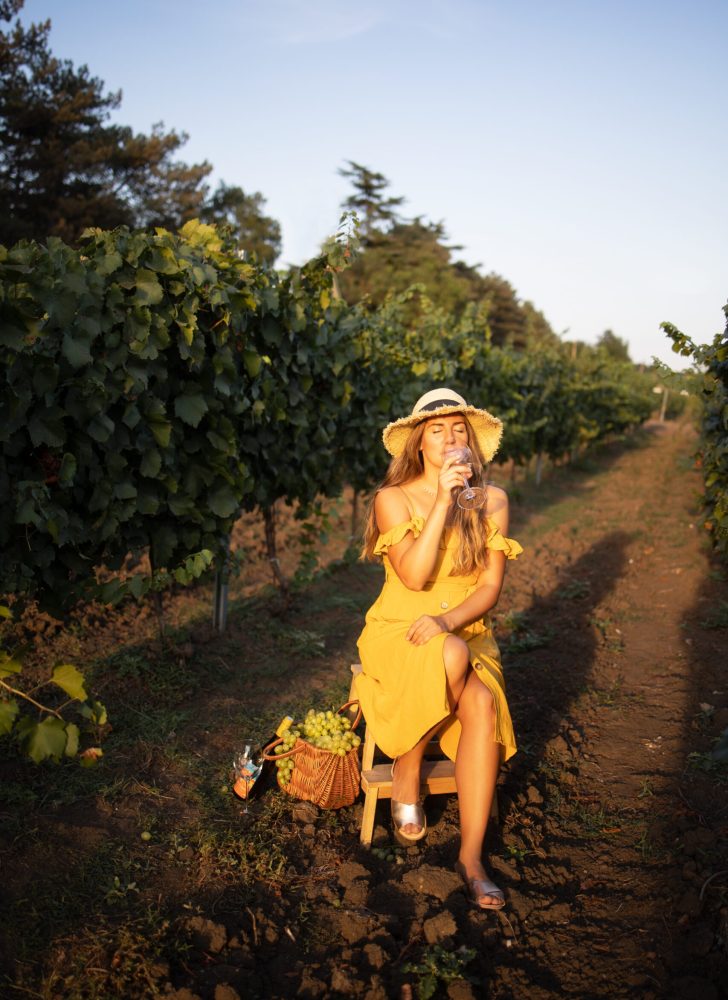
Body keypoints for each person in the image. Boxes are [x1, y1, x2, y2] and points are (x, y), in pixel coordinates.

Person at [354, 387, 522, 910]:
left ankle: (471, 860)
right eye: (437, 430)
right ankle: (408, 767)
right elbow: (415, 574)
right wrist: (444, 503)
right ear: (420, 444)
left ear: (470, 441)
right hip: (400, 630)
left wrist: (447, 620)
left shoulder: (493, 501)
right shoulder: (393, 499)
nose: (450, 439)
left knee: (481, 701)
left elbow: (490, 587)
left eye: (458, 429)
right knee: (450, 656)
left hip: (464, 629)